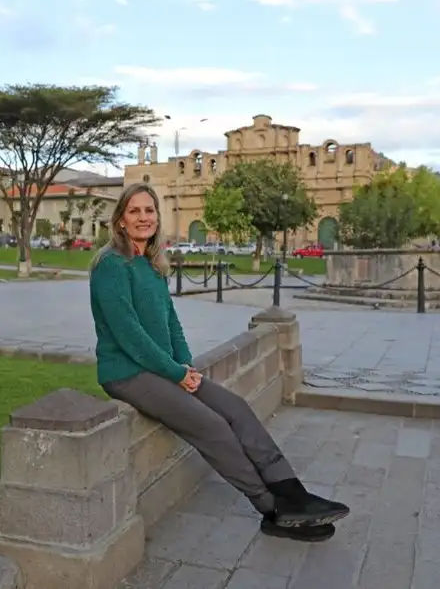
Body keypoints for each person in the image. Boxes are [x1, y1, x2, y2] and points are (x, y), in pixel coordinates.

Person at [89, 183, 350, 543]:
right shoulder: (111, 266)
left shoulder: (152, 265)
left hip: (164, 367)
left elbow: (171, 322)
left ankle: (292, 493)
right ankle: (272, 510)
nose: (143, 218)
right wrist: (175, 373)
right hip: (128, 373)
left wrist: (186, 365)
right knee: (213, 426)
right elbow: (129, 335)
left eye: (149, 211)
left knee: (237, 409)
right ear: (120, 220)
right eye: (134, 211)